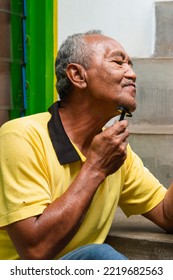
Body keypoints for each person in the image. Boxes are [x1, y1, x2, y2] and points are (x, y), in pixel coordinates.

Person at [0, 30, 173, 260]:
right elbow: (35, 252)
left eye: (131, 65)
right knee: (99, 255)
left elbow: (166, 214)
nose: (132, 74)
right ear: (77, 75)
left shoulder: (116, 153)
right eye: (118, 62)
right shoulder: (20, 137)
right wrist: (96, 168)